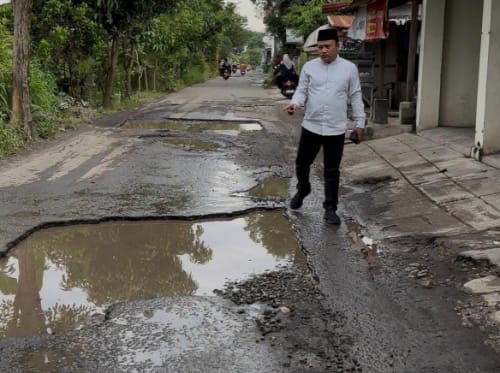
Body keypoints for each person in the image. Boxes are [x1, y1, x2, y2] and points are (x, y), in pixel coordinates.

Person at [285, 28, 365, 225]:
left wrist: (359, 123)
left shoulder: (349, 69)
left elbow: (355, 95)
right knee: (302, 164)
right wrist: (295, 103)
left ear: (337, 46)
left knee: (331, 170)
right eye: (320, 47)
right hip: (311, 125)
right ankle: (303, 188)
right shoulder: (310, 67)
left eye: (327, 46)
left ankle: (330, 208)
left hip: (335, 128)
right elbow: (302, 91)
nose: (323, 50)